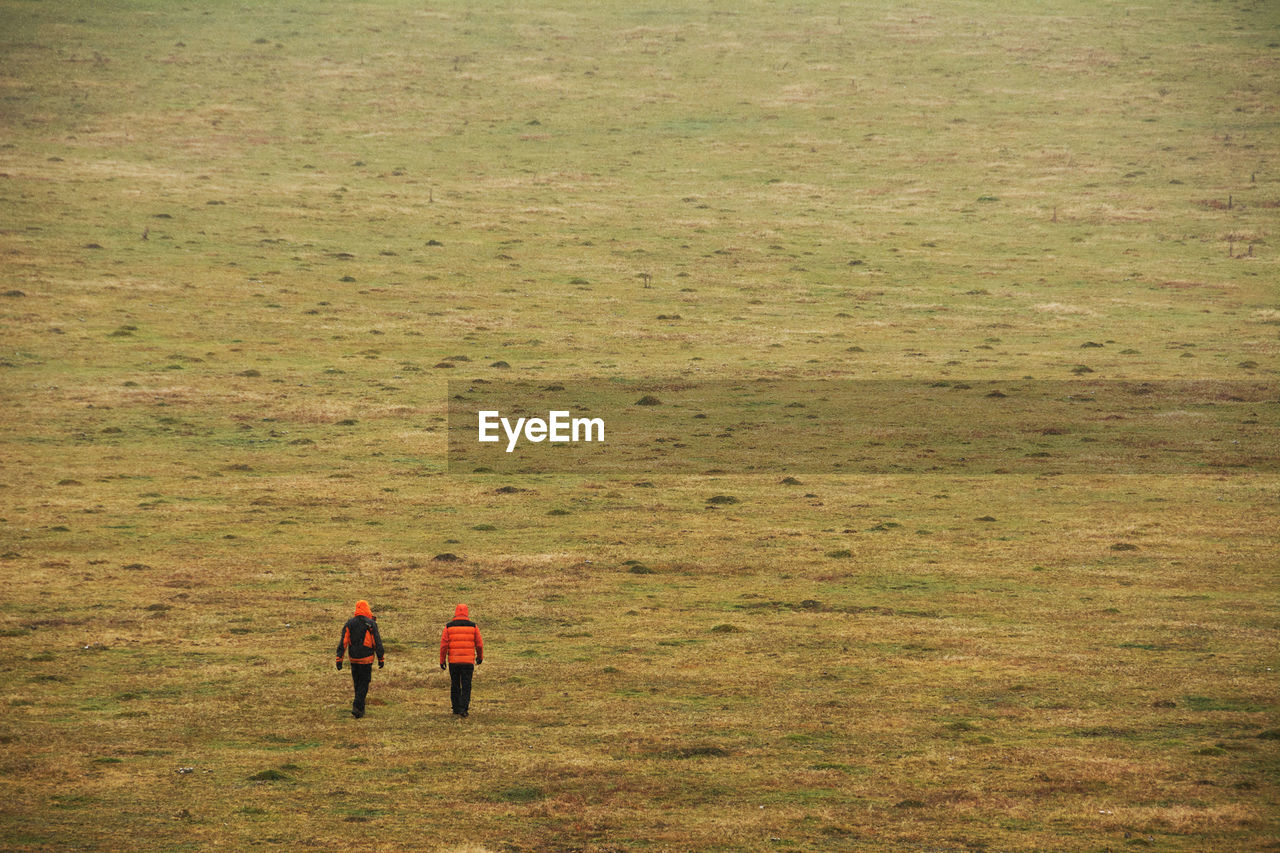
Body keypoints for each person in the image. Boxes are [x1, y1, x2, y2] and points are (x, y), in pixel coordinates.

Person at [336, 600, 384, 718]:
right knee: (364, 683)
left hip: (353, 659)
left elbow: (343, 642)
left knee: (357, 683)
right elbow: (377, 642)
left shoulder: (349, 623)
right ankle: (357, 706)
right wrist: (381, 658)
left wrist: (339, 659)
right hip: (366, 660)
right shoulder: (371, 624)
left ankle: (360, 710)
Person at [439, 603, 483, 718]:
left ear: (456, 612)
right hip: (468, 661)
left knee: (455, 684)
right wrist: (480, 657)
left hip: (453, 661)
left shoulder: (448, 627)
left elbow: (444, 645)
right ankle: (464, 708)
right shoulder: (473, 626)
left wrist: (442, 660)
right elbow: (479, 644)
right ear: (467, 612)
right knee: (466, 685)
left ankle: (456, 708)